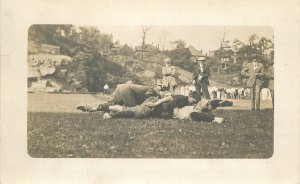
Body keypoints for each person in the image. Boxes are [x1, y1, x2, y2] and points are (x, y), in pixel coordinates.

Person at [102, 91, 201, 119]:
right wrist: (155, 104)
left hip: (155, 104)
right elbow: (169, 98)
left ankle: (105, 107)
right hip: (154, 103)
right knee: (136, 114)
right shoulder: (183, 99)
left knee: (130, 109)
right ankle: (110, 116)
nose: (194, 102)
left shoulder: (183, 100)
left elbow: (170, 96)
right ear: (190, 96)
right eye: (194, 100)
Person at [76, 83, 152, 112]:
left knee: (109, 103)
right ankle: (91, 108)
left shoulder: (149, 89)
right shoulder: (155, 94)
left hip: (121, 87)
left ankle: (88, 107)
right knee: (131, 111)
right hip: (127, 90)